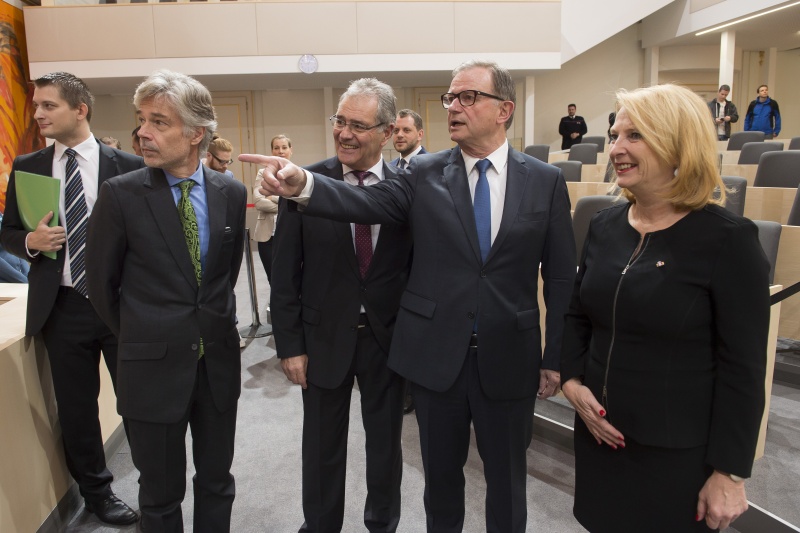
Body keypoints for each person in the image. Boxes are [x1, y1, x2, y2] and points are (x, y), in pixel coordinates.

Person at [244, 59, 576, 533]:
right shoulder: (423, 173)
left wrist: (556, 356)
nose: (453, 106)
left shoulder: (545, 180)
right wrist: (305, 184)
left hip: (509, 355)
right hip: (436, 357)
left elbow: (560, 278)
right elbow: (366, 201)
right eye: (450, 97)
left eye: (467, 97)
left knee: (507, 483)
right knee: (440, 486)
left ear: (504, 110)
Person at [560, 83, 769, 533]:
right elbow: (578, 314)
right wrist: (572, 382)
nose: (616, 148)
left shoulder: (728, 239)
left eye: (634, 136)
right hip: (598, 434)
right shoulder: (604, 224)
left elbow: (743, 367)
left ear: (678, 144)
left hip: (675, 455)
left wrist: (729, 472)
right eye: (615, 135)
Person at [86, 69, 247, 532]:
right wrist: (145, 336)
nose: (143, 132)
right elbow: (102, 285)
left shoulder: (231, 192)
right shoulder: (121, 195)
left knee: (217, 481)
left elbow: (223, 276)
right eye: (142, 120)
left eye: (159, 121)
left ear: (196, 133)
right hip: (150, 368)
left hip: (216, 365)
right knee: (159, 494)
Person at [0, 71, 143, 526]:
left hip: (121, 305)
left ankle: (156, 485)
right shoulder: (28, 166)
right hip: (61, 306)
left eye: (49, 106)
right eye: (35, 106)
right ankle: (97, 494)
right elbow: (8, 232)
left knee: (138, 403)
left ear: (80, 109)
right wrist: (30, 242)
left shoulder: (128, 165)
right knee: (77, 410)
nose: (38, 114)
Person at [271, 78, 412, 533]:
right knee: (321, 446)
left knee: (386, 445)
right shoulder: (303, 183)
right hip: (322, 339)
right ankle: (320, 525)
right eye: (340, 121)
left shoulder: (409, 188)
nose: (345, 133)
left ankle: (382, 523)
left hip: (387, 340)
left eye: (358, 125)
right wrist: (290, 344)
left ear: (387, 133)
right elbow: (285, 273)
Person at [253, 134, 291, 283]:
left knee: (292, 279)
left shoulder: (298, 174)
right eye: (276, 148)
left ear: (290, 150)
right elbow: (259, 202)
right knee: (273, 279)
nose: (280, 151)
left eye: (284, 147)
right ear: (272, 151)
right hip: (267, 237)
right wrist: (286, 201)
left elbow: (298, 204)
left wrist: (272, 197)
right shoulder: (262, 173)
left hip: (290, 235)